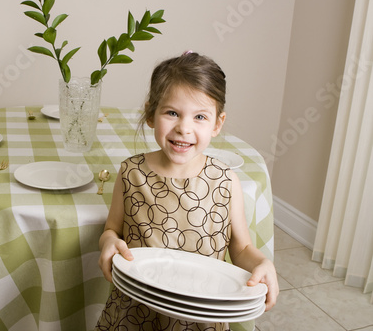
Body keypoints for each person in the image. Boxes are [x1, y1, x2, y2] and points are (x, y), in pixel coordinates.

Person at [95, 52, 279, 331]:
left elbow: (241, 248)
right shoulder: (131, 172)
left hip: (200, 318)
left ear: (217, 123)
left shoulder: (226, 181)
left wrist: (264, 264)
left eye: (200, 117)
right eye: (172, 113)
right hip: (133, 314)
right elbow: (112, 229)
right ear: (150, 114)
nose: (184, 128)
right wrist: (108, 242)